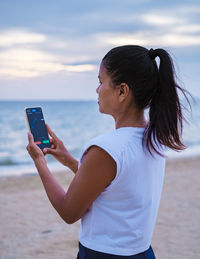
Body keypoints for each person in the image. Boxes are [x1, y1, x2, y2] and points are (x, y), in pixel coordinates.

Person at [27, 45, 190, 258]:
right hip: (142, 253)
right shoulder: (154, 137)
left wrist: (40, 163)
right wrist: (69, 160)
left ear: (122, 91)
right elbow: (114, 185)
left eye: (100, 81)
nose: (97, 89)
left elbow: (69, 211)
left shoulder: (105, 148)